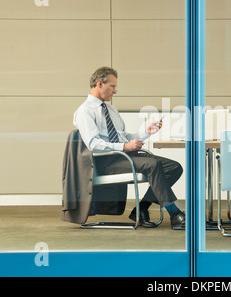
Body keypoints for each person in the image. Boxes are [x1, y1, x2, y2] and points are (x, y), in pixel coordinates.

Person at [73, 66, 185, 229]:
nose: (115, 91)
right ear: (99, 84)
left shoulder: (111, 109)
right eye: (112, 86)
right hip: (107, 162)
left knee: (174, 167)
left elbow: (124, 137)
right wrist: (125, 146)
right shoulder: (85, 111)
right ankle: (175, 213)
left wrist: (145, 132)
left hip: (125, 157)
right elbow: (94, 144)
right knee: (152, 165)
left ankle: (142, 209)